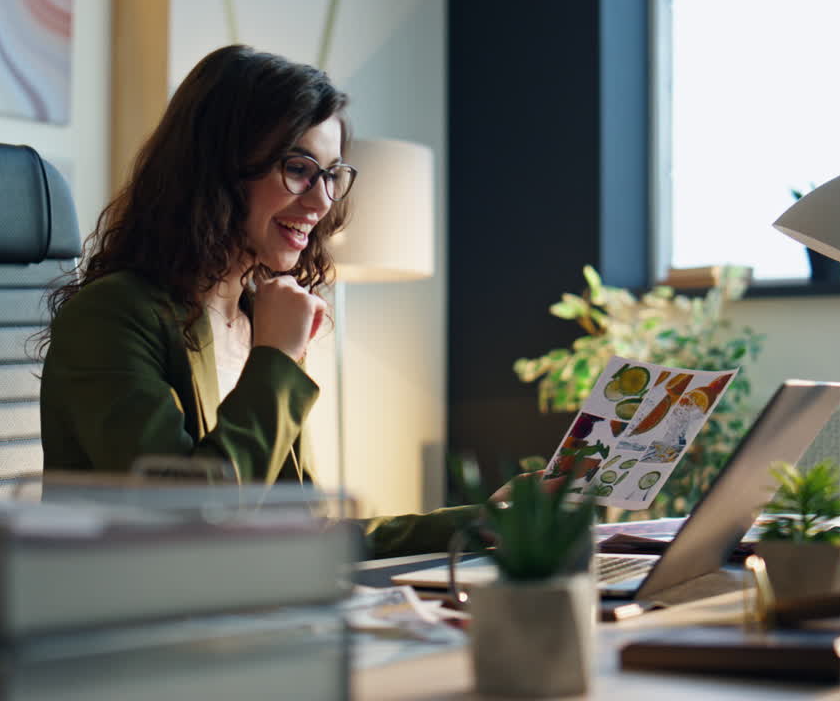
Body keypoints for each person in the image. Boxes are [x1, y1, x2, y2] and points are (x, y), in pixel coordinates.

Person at [38, 45, 543, 558]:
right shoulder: (113, 316)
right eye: (299, 168)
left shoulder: (258, 317)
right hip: (125, 623)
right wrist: (276, 360)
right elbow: (188, 522)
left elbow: (303, 535)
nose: (323, 200)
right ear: (219, 167)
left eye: (332, 175)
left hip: (246, 613)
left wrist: (484, 521)